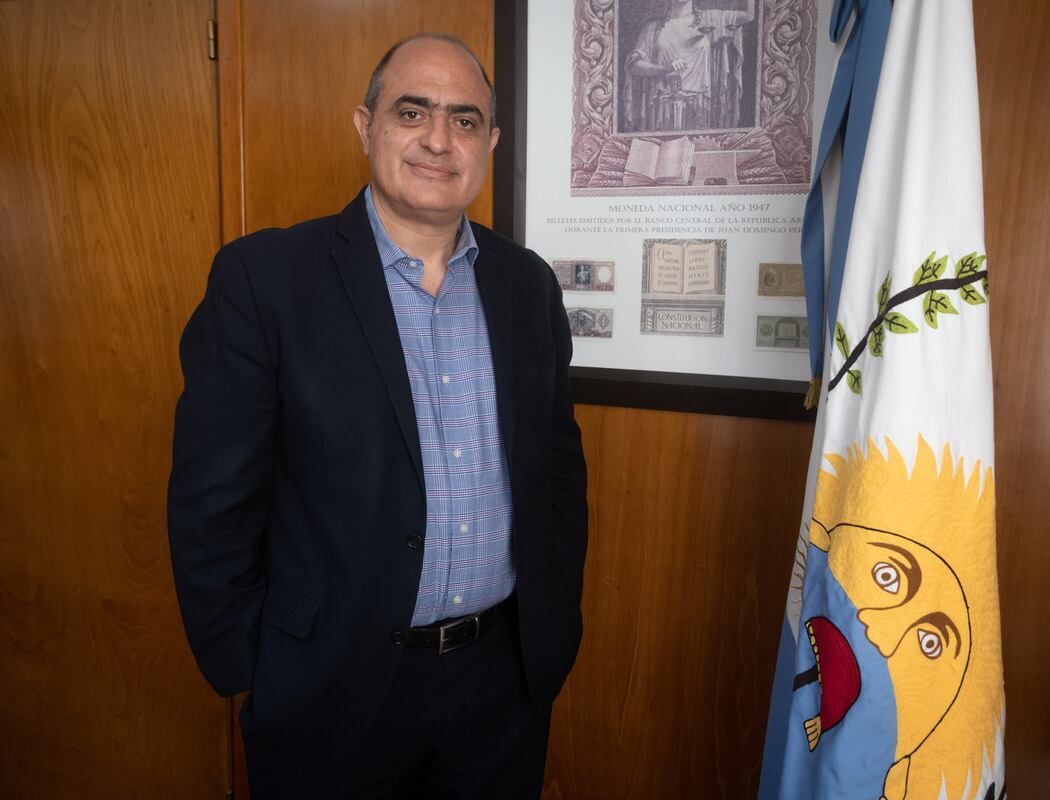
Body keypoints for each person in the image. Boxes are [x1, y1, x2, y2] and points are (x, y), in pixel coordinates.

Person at [167, 34, 588, 799]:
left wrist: (551, 638)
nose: (437, 139)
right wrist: (250, 666)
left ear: (489, 143)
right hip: (330, 689)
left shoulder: (527, 286)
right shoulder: (264, 282)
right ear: (366, 125)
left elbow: (558, 474)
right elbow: (210, 505)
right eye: (412, 111)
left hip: (503, 684)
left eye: (465, 120)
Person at [622, 0, 756, 132]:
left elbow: (749, 15)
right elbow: (634, 65)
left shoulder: (711, 20)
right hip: (663, 108)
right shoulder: (653, 28)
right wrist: (664, 69)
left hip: (699, 107)